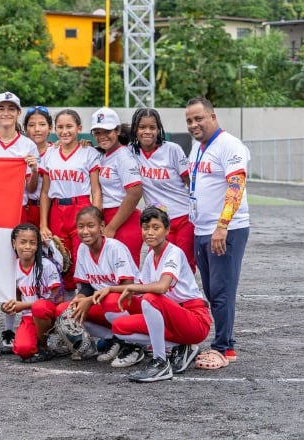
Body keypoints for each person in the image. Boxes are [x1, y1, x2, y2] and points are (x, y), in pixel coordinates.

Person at [93, 206, 211, 382]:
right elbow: (140, 287)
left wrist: (132, 289)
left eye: (156, 228)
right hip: (170, 315)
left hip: (194, 319)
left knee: (150, 298)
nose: (150, 232)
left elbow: (161, 287)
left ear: (167, 230)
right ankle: (181, 346)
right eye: (146, 228)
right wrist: (111, 289)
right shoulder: (150, 257)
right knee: (120, 327)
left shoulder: (174, 253)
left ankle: (161, 362)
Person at [185, 96, 250, 368]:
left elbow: (237, 185)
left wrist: (222, 226)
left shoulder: (229, 145)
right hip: (202, 229)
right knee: (212, 291)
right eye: (189, 120)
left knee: (222, 291)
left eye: (199, 118)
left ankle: (222, 348)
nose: (193, 124)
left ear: (213, 117)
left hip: (225, 229)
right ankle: (227, 345)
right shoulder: (198, 147)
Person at [0, 91, 39, 355]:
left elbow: (33, 189)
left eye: (11, 109)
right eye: (1, 108)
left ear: (18, 113)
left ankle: (9, 328)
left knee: (16, 271)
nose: (6, 113)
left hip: (16, 212)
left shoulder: (27, 145)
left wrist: (34, 169)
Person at [54, 206, 141, 364]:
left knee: (112, 300)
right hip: (106, 304)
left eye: (90, 226)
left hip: (131, 305)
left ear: (102, 227)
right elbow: (86, 287)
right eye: (81, 226)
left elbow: (128, 287)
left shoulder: (115, 248)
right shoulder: (82, 249)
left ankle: (133, 345)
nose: (85, 231)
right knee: (66, 310)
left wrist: (90, 300)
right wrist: (80, 299)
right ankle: (114, 339)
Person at [39, 108, 102, 292]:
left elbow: (96, 190)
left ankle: (85, 307)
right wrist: (43, 224)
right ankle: (65, 311)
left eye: (69, 126)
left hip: (81, 208)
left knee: (82, 258)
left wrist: (97, 218)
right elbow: (45, 192)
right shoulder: (50, 153)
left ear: (79, 127)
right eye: (60, 127)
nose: (64, 131)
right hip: (57, 210)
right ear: (54, 129)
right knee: (61, 260)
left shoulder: (88, 152)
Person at [129, 108, 195, 271]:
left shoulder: (172, 149)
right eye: (142, 127)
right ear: (135, 130)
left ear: (159, 129)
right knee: (159, 264)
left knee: (183, 264)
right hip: (157, 219)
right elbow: (108, 143)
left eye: (152, 127)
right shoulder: (130, 152)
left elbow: (191, 183)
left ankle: (185, 296)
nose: (147, 131)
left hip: (183, 217)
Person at [0, 224, 63, 362]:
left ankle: (43, 346)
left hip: (50, 315)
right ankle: (35, 341)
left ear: (38, 245)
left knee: (39, 307)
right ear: (14, 243)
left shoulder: (46, 265)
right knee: (23, 350)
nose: (27, 246)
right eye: (23, 242)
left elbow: (58, 298)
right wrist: (6, 306)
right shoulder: (12, 268)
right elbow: (15, 299)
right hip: (29, 317)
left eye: (32, 243)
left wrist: (25, 305)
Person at [90, 107, 143, 265]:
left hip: (124, 220)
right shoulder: (105, 154)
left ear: (118, 130)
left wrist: (112, 227)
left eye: (107, 131)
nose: (102, 136)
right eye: (97, 132)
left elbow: (135, 192)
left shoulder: (123, 156)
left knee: (125, 276)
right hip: (109, 217)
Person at [22, 106, 54, 228]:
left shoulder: (56, 150)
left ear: (50, 128)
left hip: (51, 210)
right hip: (27, 208)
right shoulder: (19, 151)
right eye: (31, 125)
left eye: (42, 124)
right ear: (25, 128)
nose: (37, 129)